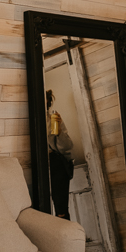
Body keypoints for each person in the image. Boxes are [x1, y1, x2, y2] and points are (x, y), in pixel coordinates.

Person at [46, 90, 74, 220]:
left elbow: (67, 146)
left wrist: (59, 132)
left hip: (55, 163)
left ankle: (65, 235)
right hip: (37, 164)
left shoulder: (53, 119)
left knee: (61, 209)